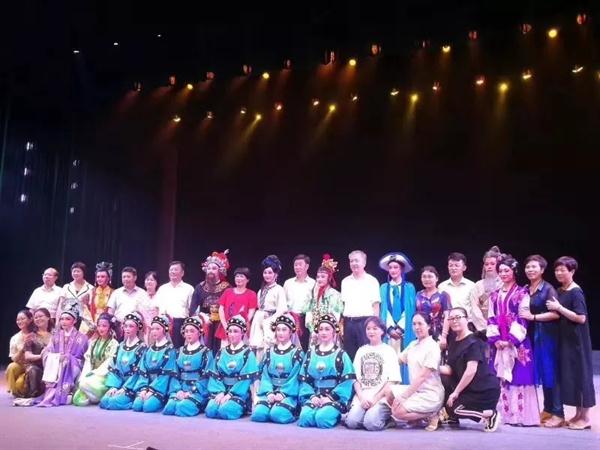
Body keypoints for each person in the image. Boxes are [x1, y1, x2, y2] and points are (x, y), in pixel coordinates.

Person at [487, 254, 539, 426]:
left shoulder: (522, 293)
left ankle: (522, 417)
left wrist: (510, 340)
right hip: (499, 343)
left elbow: (522, 318)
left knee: (519, 376)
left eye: (506, 271)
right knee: (502, 377)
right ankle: (506, 415)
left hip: (518, 343)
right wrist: (495, 339)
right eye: (501, 271)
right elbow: (491, 317)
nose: (503, 274)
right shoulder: (494, 295)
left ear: (514, 272)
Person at [546, 256, 596, 430]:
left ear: (572, 271)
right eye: (557, 270)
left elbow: (581, 318)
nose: (559, 273)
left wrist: (559, 308)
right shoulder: (560, 290)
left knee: (581, 375)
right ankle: (577, 414)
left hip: (577, 341)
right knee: (572, 376)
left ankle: (586, 417)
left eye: (563, 270)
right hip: (565, 340)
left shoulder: (576, 292)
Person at [440, 307, 500, 432]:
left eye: (458, 317)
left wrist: (456, 393)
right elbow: (450, 370)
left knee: (454, 409)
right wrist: (432, 368)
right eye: (451, 318)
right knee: (442, 379)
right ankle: (453, 417)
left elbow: (471, 371)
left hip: (482, 390)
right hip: (468, 388)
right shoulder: (453, 341)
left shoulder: (474, 341)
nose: (454, 321)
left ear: (467, 319)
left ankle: (489, 414)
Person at [519, 254, 563, 427]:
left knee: (551, 373)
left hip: (546, 336)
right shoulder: (526, 288)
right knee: (542, 374)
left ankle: (558, 413)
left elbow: (555, 313)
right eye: (528, 267)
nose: (530, 270)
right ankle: (548, 409)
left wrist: (533, 317)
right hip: (531, 336)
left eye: (534, 267)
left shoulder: (548, 289)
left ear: (542, 270)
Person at [385, 313, 445, 431]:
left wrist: (403, 396)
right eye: (414, 324)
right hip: (415, 391)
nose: (417, 327)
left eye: (420, 324)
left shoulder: (433, 347)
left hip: (430, 394)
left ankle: (433, 413)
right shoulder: (413, 344)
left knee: (397, 412)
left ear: (428, 326)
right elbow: (398, 360)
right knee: (389, 392)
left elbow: (422, 377)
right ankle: (416, 418)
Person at [297, 314, 355, 429]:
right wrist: (312, 396)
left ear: (334, 332)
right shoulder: (310, 353)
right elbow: (305, 379)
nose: (323, 332)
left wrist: (330, 398)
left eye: (327, 329)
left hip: (334, 398)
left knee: (322, 419)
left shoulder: (341, 354)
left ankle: (335, 415)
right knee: (304, 419)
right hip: (314, 396)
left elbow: (347, 381)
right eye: (321, 329)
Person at [345, 316, 400, 431]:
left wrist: (375, 399)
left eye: (375, 328)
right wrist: (361, 397)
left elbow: (392, 381)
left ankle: (388, 420)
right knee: (352, 422)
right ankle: (364, 415)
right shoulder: (361, 350)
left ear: (382, 331)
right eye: (368, 329)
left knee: (371, 424)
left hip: (381, 397)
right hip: (363, 396)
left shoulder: (389, 351)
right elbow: (355, 379)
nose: (371, 331)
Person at [251, 314, 305, 424]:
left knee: (277, 414)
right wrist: (269, 392)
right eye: (278, 329)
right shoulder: (269, 352)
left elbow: (296, 378)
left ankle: (292, 412)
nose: (280, 333)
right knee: (258, 415)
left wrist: (283, 394)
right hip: (269, 392)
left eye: (284, 330)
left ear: (291, 332)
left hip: (289, 394)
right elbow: (264, 375)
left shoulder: (297, 353)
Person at [206, 316, 259, 420]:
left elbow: (245, 380)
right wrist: (220, 392)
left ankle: (243, 407)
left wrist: (230, 394)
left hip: (239, 393)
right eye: (230, 331)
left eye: (235, 331)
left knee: (224, 411)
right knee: (210, 410)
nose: (232, 334)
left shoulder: (248, 353)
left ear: (242, 333)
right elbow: (215, 375)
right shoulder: (221, 352)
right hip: (222, 389)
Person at [38, 300, 89, 407]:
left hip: (74, 366)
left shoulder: (82, 338)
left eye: (67, 319)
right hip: (57, 365)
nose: (64, 321)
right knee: (56, 360)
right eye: (62, 319)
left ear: (75, 321)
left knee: (67, 360)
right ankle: (57, 393)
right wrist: (55, 357)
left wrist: (67, 358)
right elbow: (48, 351)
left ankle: (65, 392)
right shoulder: (55, 336)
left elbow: (83, 358)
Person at [163, 316, 213, 417]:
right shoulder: (179, 351)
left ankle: (198, 404)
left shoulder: (206, 352)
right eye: (186, 331)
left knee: (182, 407)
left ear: (199, 332)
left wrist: (191, 392)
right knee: (169, 408)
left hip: (197, 392)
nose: (188, 334)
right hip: (181, 390)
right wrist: (178, 390)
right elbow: (174, 373)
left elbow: (206, 377)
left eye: (192, 331)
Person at [378, 252, 416, 384]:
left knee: (404, 358)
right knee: (389, 359)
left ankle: (404, 385)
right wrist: (389, 328)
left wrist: (400, 328)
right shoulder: (383, 288)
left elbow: (410, 309)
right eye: (390, 267)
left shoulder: (409, 287)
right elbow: (383, 310)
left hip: (404, 331)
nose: (393, 270)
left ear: (402, 269)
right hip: (389, 332)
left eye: (396, 267)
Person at [99, 312, 147, 410]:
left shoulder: (142, 348)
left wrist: (125, 388)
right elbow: (114, 368)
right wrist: (113, 387)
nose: (127, 329)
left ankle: (132, 402)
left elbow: (139, 372)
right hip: (118, 383)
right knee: (104, 401)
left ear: (138, 328)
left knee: (113, 402)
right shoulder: (120, 346)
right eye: (126, 326)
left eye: (131, 326)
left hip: (132, 385)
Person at [132, 315, 177, 413]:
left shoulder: (170, 350)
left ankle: (163, 400)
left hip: (160, 388)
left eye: (157, 329)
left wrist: (152, 390)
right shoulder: (149, 349)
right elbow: (143, 371)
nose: (154, 331)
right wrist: (144, 389)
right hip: (147, 385)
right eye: (152, 329)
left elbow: (165, 375)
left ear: (165, 330)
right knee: (137, 406)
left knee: (147, 407)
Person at [72, 312, 119, 406]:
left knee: (84, 385)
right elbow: (88, 361)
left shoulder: (114, 343)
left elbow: (109, 362)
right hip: (92, 373)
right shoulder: (93, 342)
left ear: (110, 327)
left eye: (104, 326)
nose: (101, 328)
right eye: (99, 326)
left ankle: (99, 395)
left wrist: (95, 372)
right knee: (77, 397)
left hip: (105, 374)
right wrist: (86, 374)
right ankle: (94, 396)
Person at [341, 250, 380, 360]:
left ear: (364, 263)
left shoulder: (372, 281)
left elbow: (376, 306)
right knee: (349, 355)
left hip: (365, 322)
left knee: (366, 355)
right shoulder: (345, 281)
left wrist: (375, 326)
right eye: (351, 261)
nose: (354, 263)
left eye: (356, 260)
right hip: (349, 323)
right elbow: (344, 304)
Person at [190, 250, 231, 353]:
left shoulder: (227, 288)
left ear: (220, 270)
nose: (210, 271)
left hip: (221, 323)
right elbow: (192, 309)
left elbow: (230, 309)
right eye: (209, 268)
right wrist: (203, 317)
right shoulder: (200, 287)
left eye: (214, 268)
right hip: (204, 322)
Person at [12, 309, 54, 405]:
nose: (38, 319)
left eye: (41, 316)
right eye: (36, 317)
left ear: (48, 317)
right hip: (37, 366)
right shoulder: (31, 336)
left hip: (52, 366)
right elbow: (27, 356)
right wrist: (41, 356)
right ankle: (33, 395)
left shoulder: (55, 335)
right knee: (32, 369)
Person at [249, 255, 288, 361]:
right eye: (265, 272)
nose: (267, 275)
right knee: (258, 346)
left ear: (276, 274)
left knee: (269, 345)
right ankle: (258, 367)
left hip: (271, 320)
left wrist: (271, 320)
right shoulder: (261, 290)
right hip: (259, 320)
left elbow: (282, 308)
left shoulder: (279, 289)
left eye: (270, 273)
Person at [154, 261, 194, 348]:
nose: (173, 272)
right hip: (162, 323)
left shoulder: (189, 288)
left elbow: (193, 311)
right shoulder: (162, 288)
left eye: (176, 269)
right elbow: (156, 308)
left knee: (177, 349)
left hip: (180, 324)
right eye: (171, 270)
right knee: (162, 348)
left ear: (182, 273)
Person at [304, 255, 343, 343]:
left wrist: (324, 329)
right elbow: (309, 312)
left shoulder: (334, 294)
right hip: (314, 332)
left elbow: (335, 316)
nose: (319, 279)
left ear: (329, 278)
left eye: (323, 276)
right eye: (318, 277)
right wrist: (313, 330)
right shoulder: (313, 293)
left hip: (329, 332)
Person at [216, 267, 257, 347]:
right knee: (225, 349)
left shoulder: (251, 294)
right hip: (226, 328)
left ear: (247, 280)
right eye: (237, 276)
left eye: (241, 276)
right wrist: (226, 326)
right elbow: (221, 309)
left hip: (242, 329)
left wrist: (240, 326)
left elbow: (251, 312)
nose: (238, 278)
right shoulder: (228, 291)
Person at [108, 267, 150, 340]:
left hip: (137, 330)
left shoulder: (143, 293)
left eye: (128, 276)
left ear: (135, 278)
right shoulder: (116, 293)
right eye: (124, 277)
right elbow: (110, 312)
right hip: (118, 329)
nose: (126, 279)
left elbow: (146, 314)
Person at [283, 254, 315, 351]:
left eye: (300, 264)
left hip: (305, 319)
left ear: (307, 266)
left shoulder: (313, 283)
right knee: (289, 347)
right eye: (295, 265)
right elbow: (283, 302)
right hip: (290, 319)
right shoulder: (288, 283)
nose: (297, 267)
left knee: (304, 347)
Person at [469, 246, 502, 334]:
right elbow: (474, 308)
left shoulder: (504, 283)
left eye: (492, 264)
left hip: (502, 326)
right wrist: (485, 327)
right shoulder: (478, 285)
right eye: (486, 264)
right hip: (483, 328)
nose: (489, 266)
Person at [416, 266, 451, 342]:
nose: (427, 279)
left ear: (437, 278)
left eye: (430, 276)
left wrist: (444, 336)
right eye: (424, 277)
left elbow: (448, 316)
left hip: (439, 333)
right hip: (421, 332)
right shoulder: (418, 295)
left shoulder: (443, 295)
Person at [6, 310, 36, 397]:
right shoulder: (15, 338)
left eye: (22, 319)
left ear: (30, 319)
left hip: (34, 366)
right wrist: (22, 349)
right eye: (18, 320)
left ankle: (23, 389)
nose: (19, 321)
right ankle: (15, 392)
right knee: (11, 367)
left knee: (20, 384)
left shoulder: (36, 334)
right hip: (21, 365)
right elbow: (13, 358)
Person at [438, 253, 475, 323]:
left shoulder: (472, 286)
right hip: (448, 324)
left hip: (467, 324)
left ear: (464, 268)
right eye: (451, 265)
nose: (453, 268)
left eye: (457, 265)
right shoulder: (441, 287)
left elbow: (475, 308)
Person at [57, 262, 93, 329]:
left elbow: (91, 307)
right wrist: (57, 322)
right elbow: (60, 305)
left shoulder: (90, 288)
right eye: (74, 271)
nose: (76, 273)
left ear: (83, 273)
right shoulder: (66, 287)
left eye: (78, 271)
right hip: (67, 319)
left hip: (83, 320)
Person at [86, 262, 114, 336]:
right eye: (98, 277)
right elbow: (86, 309)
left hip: (107, 323)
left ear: (108, 278)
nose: (99, 279)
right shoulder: (91, 291)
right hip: (92, 322)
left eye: (102, 277)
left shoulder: (113, 293)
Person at [141, 271, 160, 343]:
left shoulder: (160, 296)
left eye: (152, 280)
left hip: (156, 328)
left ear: (156, 282)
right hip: (142, 329)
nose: (149, 282)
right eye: (147, 280)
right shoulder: (140, 296)